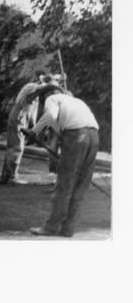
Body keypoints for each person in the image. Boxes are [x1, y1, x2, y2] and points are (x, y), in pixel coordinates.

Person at [25, 85, 99, 237]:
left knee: (65, 184)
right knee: (81, 185)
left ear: (48, 95)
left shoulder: (52, 98)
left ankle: (50, 227)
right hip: (94, 137)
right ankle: (68, 228)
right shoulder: (76, 101)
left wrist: (34, 131)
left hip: (76, 136)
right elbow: (63, 126)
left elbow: (49, 117)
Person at [0, 82, 41, 185]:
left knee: (13, 147)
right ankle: (12, 176)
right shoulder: (28, 95)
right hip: (18, 120)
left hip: (19, 120)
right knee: (16, 148)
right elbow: (41, 89)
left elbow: (32, 117)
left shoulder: (33, 100)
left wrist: (34, 129)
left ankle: (5, 176)